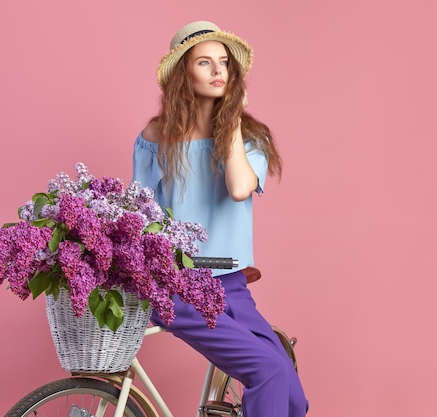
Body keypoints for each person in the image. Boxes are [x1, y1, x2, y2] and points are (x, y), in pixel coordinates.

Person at [132, 21, 309, 417]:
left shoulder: (249, 139)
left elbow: (239, 186)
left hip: (232, 285)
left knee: (294, 400)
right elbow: (138, 215)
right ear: (183, 73)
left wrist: (229, 121)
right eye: (204, 63)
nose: (218, 72)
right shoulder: (156, 138)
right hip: (180, 286)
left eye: (224, 63)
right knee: (267, 371)